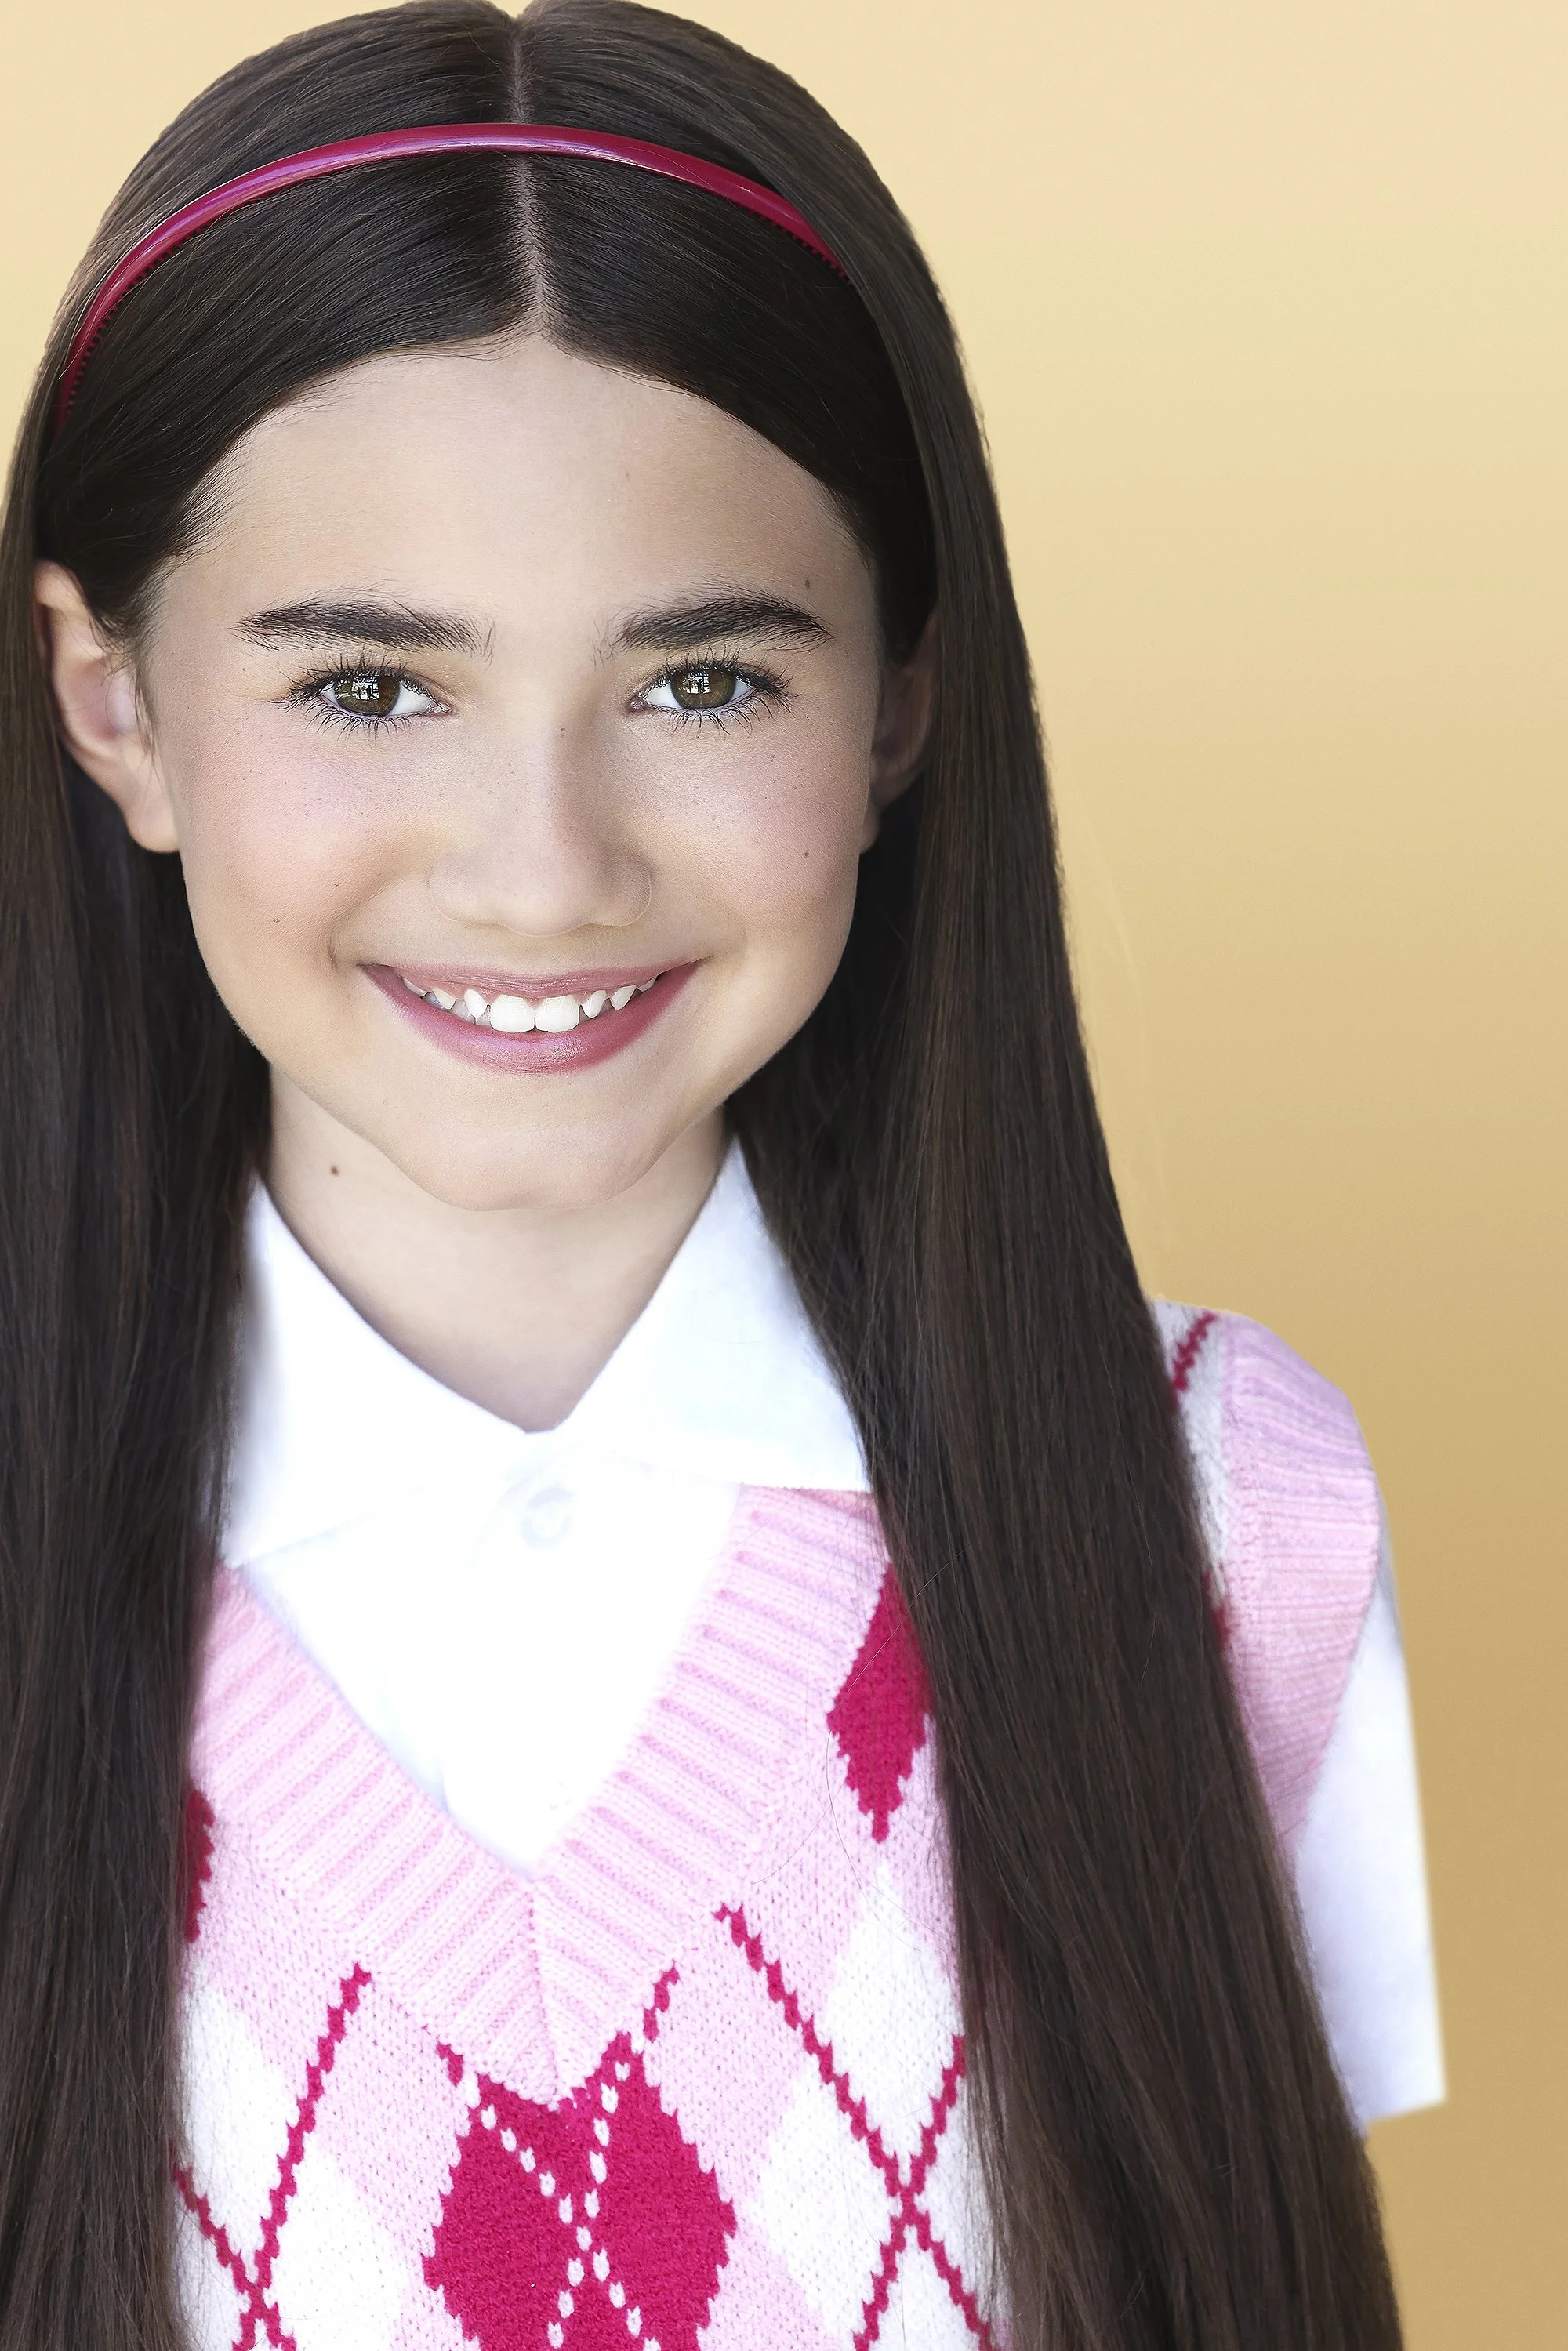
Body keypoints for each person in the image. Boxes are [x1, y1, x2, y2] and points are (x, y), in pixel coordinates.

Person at [0, 2, 1443, 2345]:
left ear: (899, 704)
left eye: (704, 684)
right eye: (372, 686)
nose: (548, 871)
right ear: (116, 709)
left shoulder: (1224, 1518)